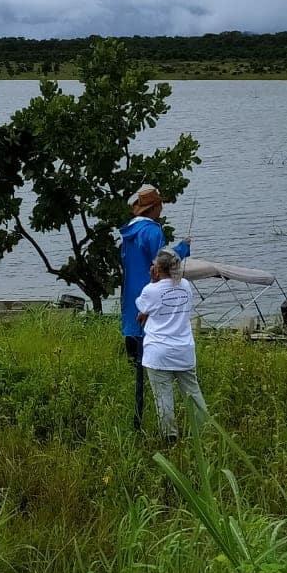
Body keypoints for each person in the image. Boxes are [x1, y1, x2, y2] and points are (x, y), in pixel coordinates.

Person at [120, 184, 190, 427]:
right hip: (150, 307)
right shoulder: (152, 231)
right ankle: (158, 425)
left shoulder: (128, 233)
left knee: (137, 372)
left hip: (131, 308)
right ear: (154, 207)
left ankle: (138, 417)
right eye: (160, 204)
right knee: (155, 372)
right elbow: (162, 265)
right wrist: (182, 249)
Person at [136, 247, 207, 442]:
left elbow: (142, 308)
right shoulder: (185, 285)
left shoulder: (151, 290)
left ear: (157, 269)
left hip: (158, 351)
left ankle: (170, 436)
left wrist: (152, 281)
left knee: (163, 397)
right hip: (184, 349)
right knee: (193, 393)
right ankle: (203, 430)